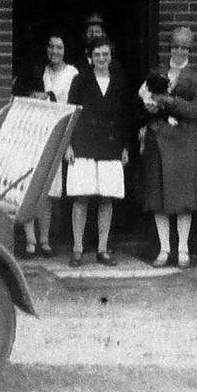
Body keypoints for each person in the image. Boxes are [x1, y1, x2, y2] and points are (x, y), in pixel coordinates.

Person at [137, 26, 197, 266]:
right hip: (158, 137)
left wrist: (169, 101)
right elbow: (144, 99)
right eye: (175, 46)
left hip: (185, 140)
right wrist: (149, 106)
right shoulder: (156, 73)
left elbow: (196, 110)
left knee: (183, 198)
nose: (179, 50)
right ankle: (164, 250)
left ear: (190, 50)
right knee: (159, 196)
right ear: (170, 48)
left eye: (184, 47)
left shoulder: (196, 78)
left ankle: (183, 249)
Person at [65, 37, 134, 266]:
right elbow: (71, 114)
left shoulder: (120, 82)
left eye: (105, 54)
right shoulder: (80, 80)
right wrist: (68, 145)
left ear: (110, 56)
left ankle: (103, 249)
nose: (101, 59)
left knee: (107, 199)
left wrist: (124, 146)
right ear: (90, 57)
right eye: (97, 55)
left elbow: (125, 117)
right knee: (81, 198)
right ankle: (77, 249)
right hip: (83, 145)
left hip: (111, 146)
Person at [13, 32, 76, 256]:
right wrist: (33, 94)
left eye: (59, 47)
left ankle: (45, 239)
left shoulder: (72, 73)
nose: (54, 51)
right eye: (51, 47)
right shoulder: (40, 70)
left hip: (58, 134)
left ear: (65, 50)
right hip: (34, 133)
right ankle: (31, 241)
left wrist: (69, 142)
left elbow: (74, 107)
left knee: (49, 191)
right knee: (32, 186)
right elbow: (20, 92)